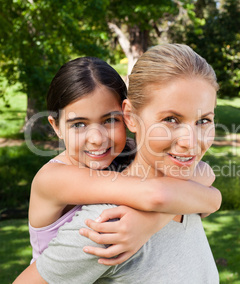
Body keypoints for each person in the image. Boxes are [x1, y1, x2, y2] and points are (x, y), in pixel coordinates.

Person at [14, 44, 220, 283]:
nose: (97, 138)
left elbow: (203, 174)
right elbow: (156, 195)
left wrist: (150, 222)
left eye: (204, 120)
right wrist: (204, 199)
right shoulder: (100, 221)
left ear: (125, 119)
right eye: (171, 119)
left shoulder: (151, 168)